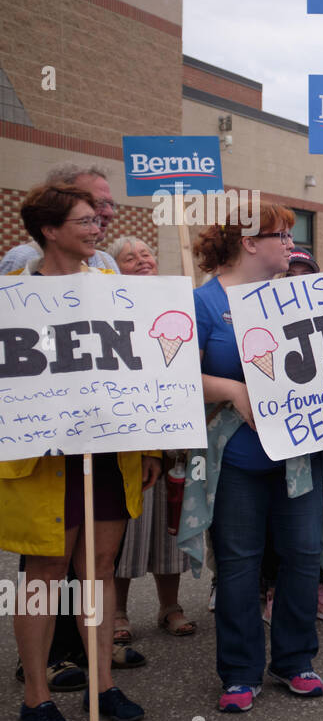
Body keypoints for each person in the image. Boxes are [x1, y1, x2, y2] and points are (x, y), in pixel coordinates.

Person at [3, 182, 159, 721]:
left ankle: (102, 684)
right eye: (86, 221)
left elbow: (149, 371)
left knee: (99, 566)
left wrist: (154, 443)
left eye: (98, 221)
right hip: (45, 458)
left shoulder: (117, 290)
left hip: (110, 451)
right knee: (45, 570)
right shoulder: (14, 296)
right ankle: (37, 694)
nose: (98, 229)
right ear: (49, 230)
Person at [190, 202, 323, 713]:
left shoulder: (296, 297)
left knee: (303, 557)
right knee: (240, 566)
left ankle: (294, 659)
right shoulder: (201, 303)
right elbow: (174, 377)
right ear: (247, 242)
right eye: (281, 236)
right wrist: (236, 392)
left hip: (300, 456)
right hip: (238, 459)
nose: (291, 245)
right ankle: (239, 671)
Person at [102, 237, 196, 643]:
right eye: (129, 257)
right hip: (133, 439)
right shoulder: (109, 310)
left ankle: (170, 607)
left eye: (146, 254)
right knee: (129, 530)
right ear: (113, 267)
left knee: (172, 526)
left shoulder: (177, 301)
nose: (142, 260)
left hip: (177, 434)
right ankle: (119, 612)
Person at [0, 163, 120, 275]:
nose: (109, 213)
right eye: (99, 202)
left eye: (111, 204)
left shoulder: (107, 264)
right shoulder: (20, 260)